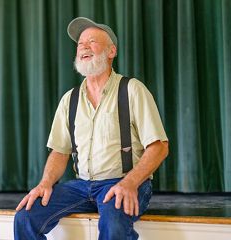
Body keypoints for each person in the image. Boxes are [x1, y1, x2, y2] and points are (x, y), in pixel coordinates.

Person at [14, 17, 169, 240]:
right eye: (80, 43)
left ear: (111, 51)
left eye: (92, 41)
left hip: (121, 181)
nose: (84, 46)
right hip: (81, 186)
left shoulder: (132, 90)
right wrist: (45, 183)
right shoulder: (70, 99)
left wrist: (130, 183)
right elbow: (60, 151)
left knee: (114, 224)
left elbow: (159, 146)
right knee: (25, 216)